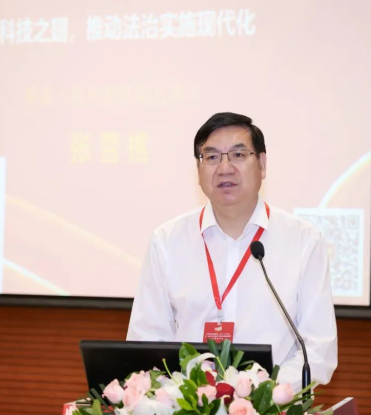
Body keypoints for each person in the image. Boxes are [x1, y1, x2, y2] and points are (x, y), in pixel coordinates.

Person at [127, 112, 337, 391]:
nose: (224, 168)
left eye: (238, 155)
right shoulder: (166, 241)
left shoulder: (304, 240)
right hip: (189, 404)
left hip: (272, 404)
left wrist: (258, 394)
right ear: (198, 169)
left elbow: (318, 350)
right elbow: (146, 341)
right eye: (212, 157)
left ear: (262, 163)